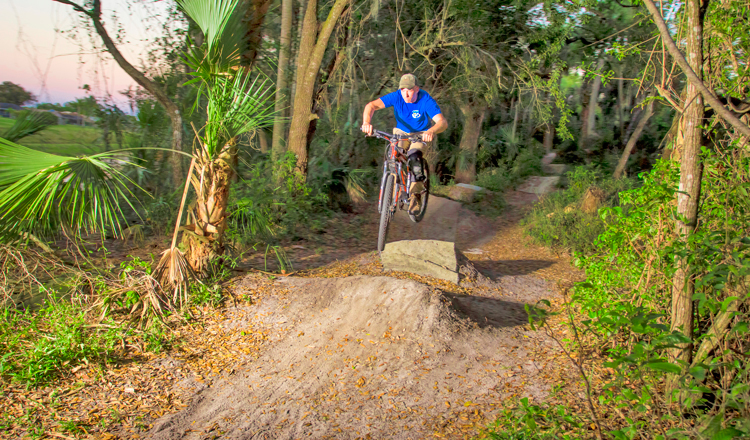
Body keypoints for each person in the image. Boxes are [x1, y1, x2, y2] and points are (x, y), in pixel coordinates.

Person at [361, 73, 448, 214]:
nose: (406, 94)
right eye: (403, 90)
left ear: (417, 89)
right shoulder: (396, 96)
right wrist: (366, 123)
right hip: (401, 132)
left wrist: (431, 131)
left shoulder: (425, 100)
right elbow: (371, 106)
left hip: (420, 134)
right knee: (393, 153)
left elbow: (442, 122)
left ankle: (415, 194)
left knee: (414, 158)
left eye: (409, 90)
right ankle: (394, 187)